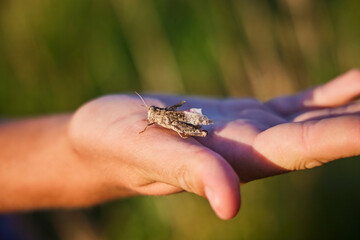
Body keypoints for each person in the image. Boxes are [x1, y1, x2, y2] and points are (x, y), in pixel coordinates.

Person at [1, 69, 360, 220]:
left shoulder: (160, 115)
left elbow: (169, 116)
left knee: (186, 125)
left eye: (149, 110)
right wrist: (78, 150)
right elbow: (153, 117)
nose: (148, 114)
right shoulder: (150, 116)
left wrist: (73, 149)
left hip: (186, 120)